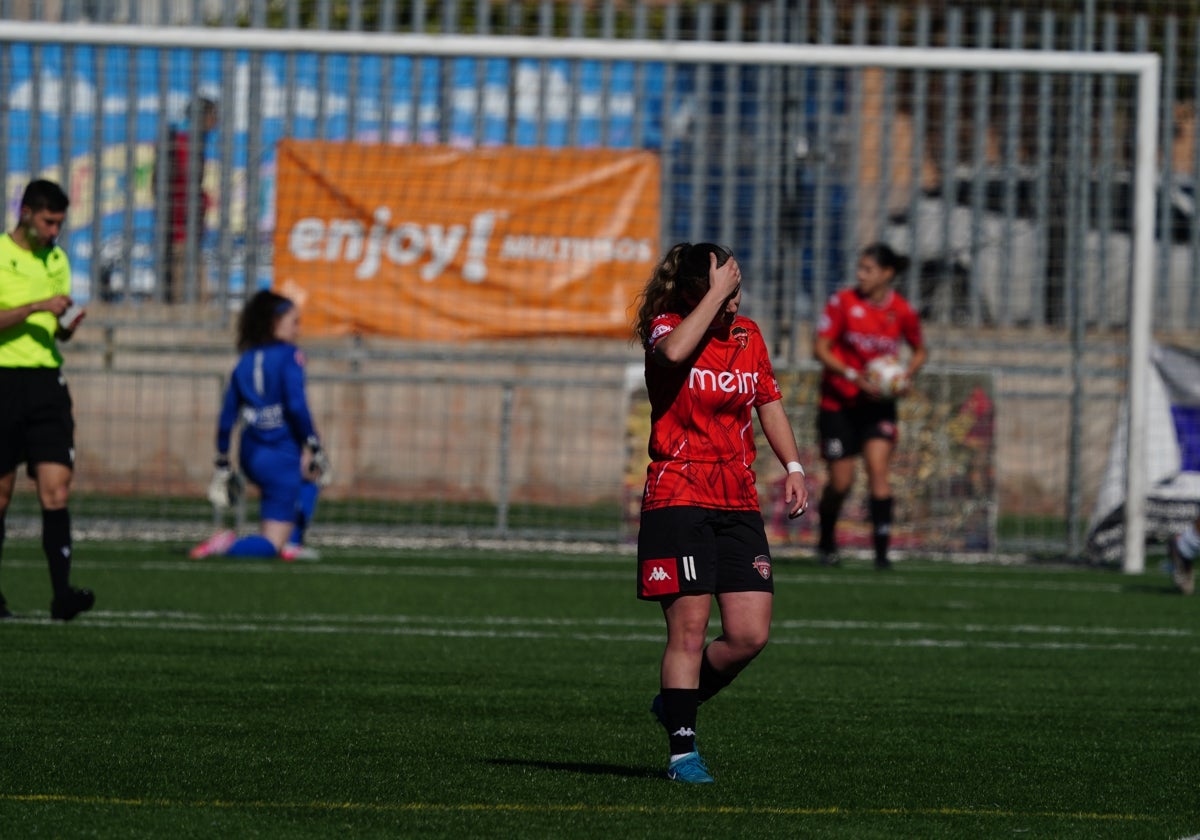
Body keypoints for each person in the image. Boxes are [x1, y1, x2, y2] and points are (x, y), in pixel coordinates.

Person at [633, 242, 809, 784]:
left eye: (736, 289)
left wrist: (795, 467)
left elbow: (768, 403)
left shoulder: (748, 335)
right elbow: (673, 356)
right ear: (696, 293)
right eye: (725, 290)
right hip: (678, 496)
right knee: (688, 630)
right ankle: (682, 753)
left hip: (737, 499)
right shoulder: (667, 328)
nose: (734, 301)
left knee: (749, 635)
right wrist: (713, 298)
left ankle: (677, 703)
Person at [0, 179, 94, 620]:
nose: (55, 231)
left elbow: (58, 331)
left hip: (44, 383)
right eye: (48, 221)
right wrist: (37, 306)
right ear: (26, 214)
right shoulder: (1, 254)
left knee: (56, 488)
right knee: (0, 494)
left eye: (60, 222)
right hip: (3, 381)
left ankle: (62, 596)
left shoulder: (57, 259)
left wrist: (68, 323)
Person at [189, 289, 331, 561]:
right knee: (270, 544)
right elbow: (296, 405)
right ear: (274, 323)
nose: (298, 329)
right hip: (281, 454)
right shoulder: (289, 355)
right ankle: (232, 545)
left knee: (309, 475)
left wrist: (222, 457)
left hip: (251, 453)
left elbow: (227, 415)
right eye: (294, 322)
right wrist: (313, 443)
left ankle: (291, 542)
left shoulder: (245, 359)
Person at [813, 242, 927, 570]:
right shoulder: (843, 303)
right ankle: (826, 540)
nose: (860, 275)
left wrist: (904, 376)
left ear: (887, 274)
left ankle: (881, 553)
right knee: (841, 483)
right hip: (839, 403)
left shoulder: (902, 310)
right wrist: (852, 374)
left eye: (868, 269)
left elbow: (919, 350)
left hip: (878, 406)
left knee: (879, 469)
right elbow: (821, 348)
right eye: (860, 268)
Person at [155, 96, 218, 304]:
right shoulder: (183, 144)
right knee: (184, 287)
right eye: (212, 116)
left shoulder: (189, 143)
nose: (215, 122)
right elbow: (180, 185)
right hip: (180, 228)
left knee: (194, 286)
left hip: (185, 226)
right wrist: (197, 204)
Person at [1168, 515, 1198, 595]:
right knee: (1183, 583)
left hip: (1188, 554)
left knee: (1188, 590)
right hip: (1177, 547)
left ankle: (1182, 581)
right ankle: (1179, 577)